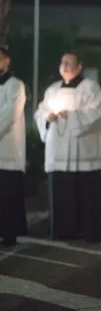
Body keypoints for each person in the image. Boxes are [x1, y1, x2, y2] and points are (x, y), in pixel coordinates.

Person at [35, 51, 101, 242]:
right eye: (63, 62)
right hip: (58, 149)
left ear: (79, 66)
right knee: (62, 191)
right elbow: (40, 112)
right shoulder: (52, 89)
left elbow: (95, 111)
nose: (65, 66)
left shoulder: (90, 87)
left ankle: (88, 230)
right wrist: (48, 117)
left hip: (82, 149)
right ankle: (63, 229)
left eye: (69, 62)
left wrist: (71, 116)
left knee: (84, 191)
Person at [0, 45, 27, 246]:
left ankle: (9, 234)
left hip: (7, 150)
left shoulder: (16, 85)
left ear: (7, 60)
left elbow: (9, 115)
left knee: (7, 196)